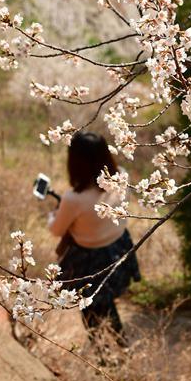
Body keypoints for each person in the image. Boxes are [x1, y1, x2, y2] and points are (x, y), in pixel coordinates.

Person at [48, 131, 140, 336]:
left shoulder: (73, 198)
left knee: (90, 310)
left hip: (87, 259)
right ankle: (119, 344)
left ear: (75, 162)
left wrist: (53, 214)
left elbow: (56, 230)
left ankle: (105, 355)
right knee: (106, 302)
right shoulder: (122, 176)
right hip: (118, 247)